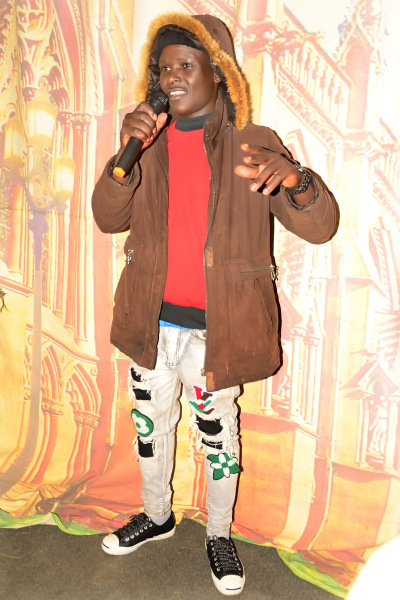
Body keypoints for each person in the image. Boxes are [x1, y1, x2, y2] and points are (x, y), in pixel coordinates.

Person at [92, 12, 338, 596]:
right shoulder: (146, 145)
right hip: (150, 323)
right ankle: (156, 515)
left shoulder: (253, 143)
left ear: (218, 72)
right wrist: (125, 153)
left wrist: (297, 180)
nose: (173, 76)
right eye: (164, 68)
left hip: (217, 331)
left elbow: (321, 227)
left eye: (187, 64)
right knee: (150, 426)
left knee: (217, 436)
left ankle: (219, 533)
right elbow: (107, 217)